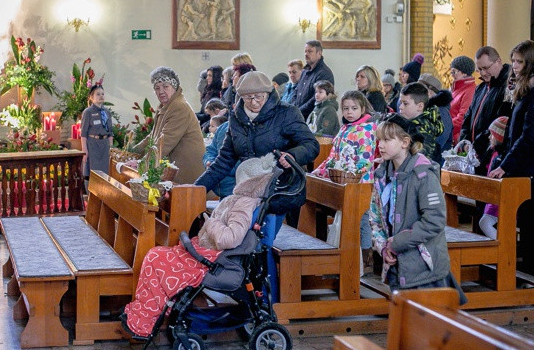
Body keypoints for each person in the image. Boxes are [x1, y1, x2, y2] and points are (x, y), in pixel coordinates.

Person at [122, 154, 278, 338]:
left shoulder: (244, 203)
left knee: (156, 259)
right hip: (204, 251)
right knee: (155, 257)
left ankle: (144, 322)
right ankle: (143, 316)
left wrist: (210, 222)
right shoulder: (237, 199)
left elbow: (230, 238)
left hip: (212, 259)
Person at [196, 71, 319, 228]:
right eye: (248, 98)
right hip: (250, 190)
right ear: (241, 97)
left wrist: (293, 155)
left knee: (261, 241)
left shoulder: (287, 113)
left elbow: (311, 145)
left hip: (280, 190)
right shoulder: (236, 119)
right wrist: (196, 190)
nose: (254, 102)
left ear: (268, 94)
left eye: (258, 97)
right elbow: (224, 160)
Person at [368, 114, 464, 301]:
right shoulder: (382, 175)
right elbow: (376, 216)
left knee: (427, 326)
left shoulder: (423, 175)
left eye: (387, 140)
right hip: (396, 265)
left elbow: (434, 221)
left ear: (405, 142)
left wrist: (396, 244)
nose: (380, 145)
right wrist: (383, 247)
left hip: (423, 268)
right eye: (379, 139)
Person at [488, 42, 534, 278]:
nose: (515, 66)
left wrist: (506, 165)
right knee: (525, 222)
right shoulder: (529, 88)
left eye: (520, 62)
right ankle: (524, 272)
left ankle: (533, 275)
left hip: (533, 169)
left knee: (531, 224)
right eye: (514, 61)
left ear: (530, 63)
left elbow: (530, 136)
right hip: (524, 167)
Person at [312, 90, 377, 269]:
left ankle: (365, 256)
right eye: (346, 108)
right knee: (348, 219)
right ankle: (345, 254)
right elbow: (334, 156)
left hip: (360, 182)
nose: (349, 112)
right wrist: (320, 171)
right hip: (343, 181)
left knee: (362, 219)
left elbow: (365, 160)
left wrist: (350, 172)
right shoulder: (344, 128)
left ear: (362, 108)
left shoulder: (367, 129)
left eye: (354, 108)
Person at [131, 67, 206, 185]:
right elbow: (153, 137)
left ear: (174, 87)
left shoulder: (179, 107)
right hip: (174, 173)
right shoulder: (165, 106)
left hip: (188, 178)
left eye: (165, 86)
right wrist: (132, 152)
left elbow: (164, 143)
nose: (161, 91)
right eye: (157, 88)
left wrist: (142, 164)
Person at [459, 46, 512, 173]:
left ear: (498, 61)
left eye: (486, 68)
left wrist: (476, 146)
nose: (482, 73)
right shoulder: (481, 88)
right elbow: (468, 118)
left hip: (490, 155)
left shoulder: (507, 88)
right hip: (474, 154)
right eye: (479, 70)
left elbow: (499, 124)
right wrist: (465, 142)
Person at [397, 82, 444, 165]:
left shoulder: (420, 129)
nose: (400, 107)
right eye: (400, 103)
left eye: (405, 103)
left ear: (420, 106)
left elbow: (421, 164)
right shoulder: (411, 124)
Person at [478, 116, 508, 238]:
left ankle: (502, 247)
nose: (490, 137)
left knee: (485, 222)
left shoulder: (501, 157)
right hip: (493, 197)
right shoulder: (494, 153)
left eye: (492, 135)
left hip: (498, 199)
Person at [292, 40, 335, 119]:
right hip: (299, 117)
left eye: (310, 51)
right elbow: (296, 92)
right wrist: (293, 109)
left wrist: (298, 112)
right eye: (305, 51)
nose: (306, 54)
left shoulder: (324, 73)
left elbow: (316, 98)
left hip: (313, 118)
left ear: (319, 53)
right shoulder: (304, 71)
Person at [80, 85, 112, 181]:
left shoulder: (107, 112)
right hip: (93, 144)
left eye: (102, 94)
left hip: (105, 144)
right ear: (91, 97)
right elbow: (83, 133)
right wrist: (84, 150)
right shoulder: (88, 112)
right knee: (93, 171)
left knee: (106, 171)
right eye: (98, 94)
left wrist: (111, 148)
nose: (101, 96)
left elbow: (110, 132)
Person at [418, 73, 453, 155]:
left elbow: (436, 144)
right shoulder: (426, 109)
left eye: (419, 91)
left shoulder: (441, 112)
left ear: (429, 92)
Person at [203, 114, 235, 198]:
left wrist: (218, 166)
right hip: (219, 187)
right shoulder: (223, 128)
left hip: (236, 189)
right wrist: (208, 161)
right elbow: (210, 150)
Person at [449, 55, 476, 144]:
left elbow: (462, 118)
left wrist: (443, 127)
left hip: (457, 139)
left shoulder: (470, 91)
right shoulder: (457, 88)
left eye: (454, 72)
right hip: (451, 135)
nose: (452, 75)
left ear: (464, 73)